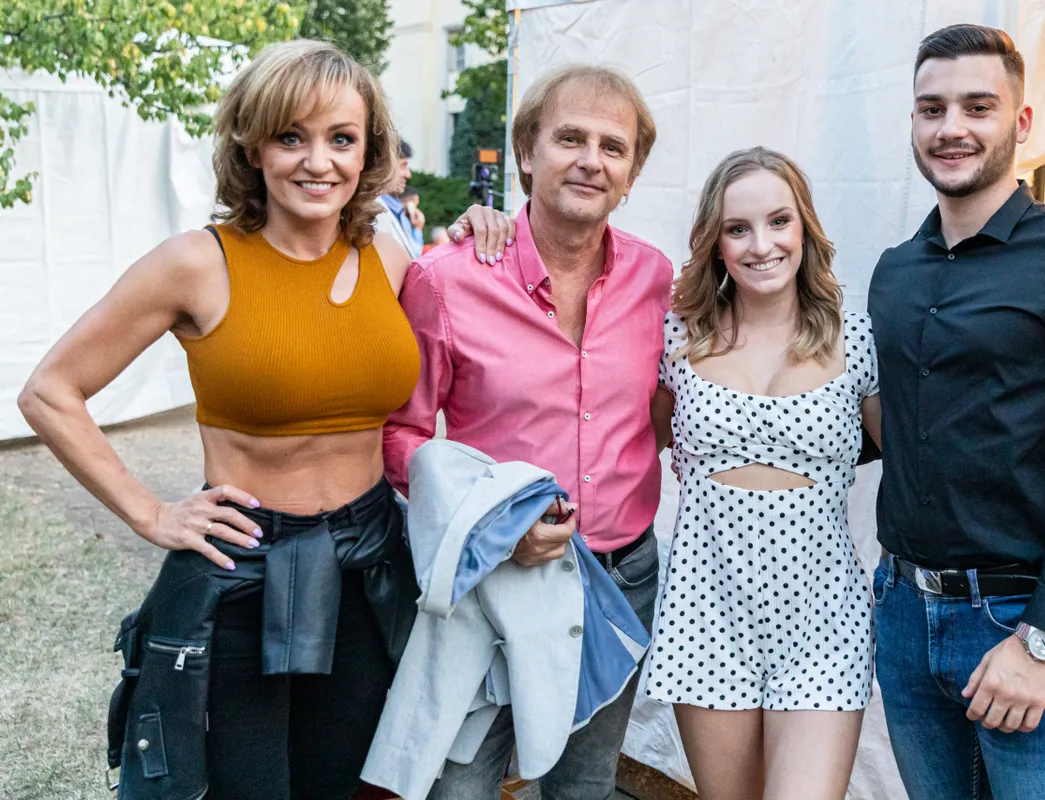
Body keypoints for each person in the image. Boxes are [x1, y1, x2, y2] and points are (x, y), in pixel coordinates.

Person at [18, 40, 421, 800]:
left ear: (369, 152)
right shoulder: (196, 263)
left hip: (371, 564)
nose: (318, 162)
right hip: (243, 568)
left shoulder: (392, 257)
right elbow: (50, 392)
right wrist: (150, 514)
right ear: (251, 144)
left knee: (345, 784)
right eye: (290, 136)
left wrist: (491, 226)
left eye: (341, 138)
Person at [868, 24, 1045, 799]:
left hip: (1024, 620)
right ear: (913, 121)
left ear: (1021, 122)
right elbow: (892, 427)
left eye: (978, 106)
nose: (951, 128)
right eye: (932, 108)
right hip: (903, 616)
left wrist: (1042, 638)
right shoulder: (895, 273)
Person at [382, 63, 670, 800]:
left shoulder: (656, 280)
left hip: (619, 580)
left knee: (584, 787)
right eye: (570, 138)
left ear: (632, 173)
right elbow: (400, 435)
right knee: (459, 787)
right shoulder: (447, 280)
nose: (591, 160)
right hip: (491, 579)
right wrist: (494, 526)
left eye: (613, 146)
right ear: (526, 153)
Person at [647, 147, 881, 800]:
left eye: (779, 221)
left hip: (822, 617)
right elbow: (627, 449)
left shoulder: (857, 337)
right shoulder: (678, 336)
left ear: (804, 226)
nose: (761, 245)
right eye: (737, 228)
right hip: (706, 609)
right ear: (715, 243)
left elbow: (920, 468)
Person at [377, 141, 423, 259]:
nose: (408, 175)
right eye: (403, 166)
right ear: (382, 167)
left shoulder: (400, 213)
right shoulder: (370, 215)